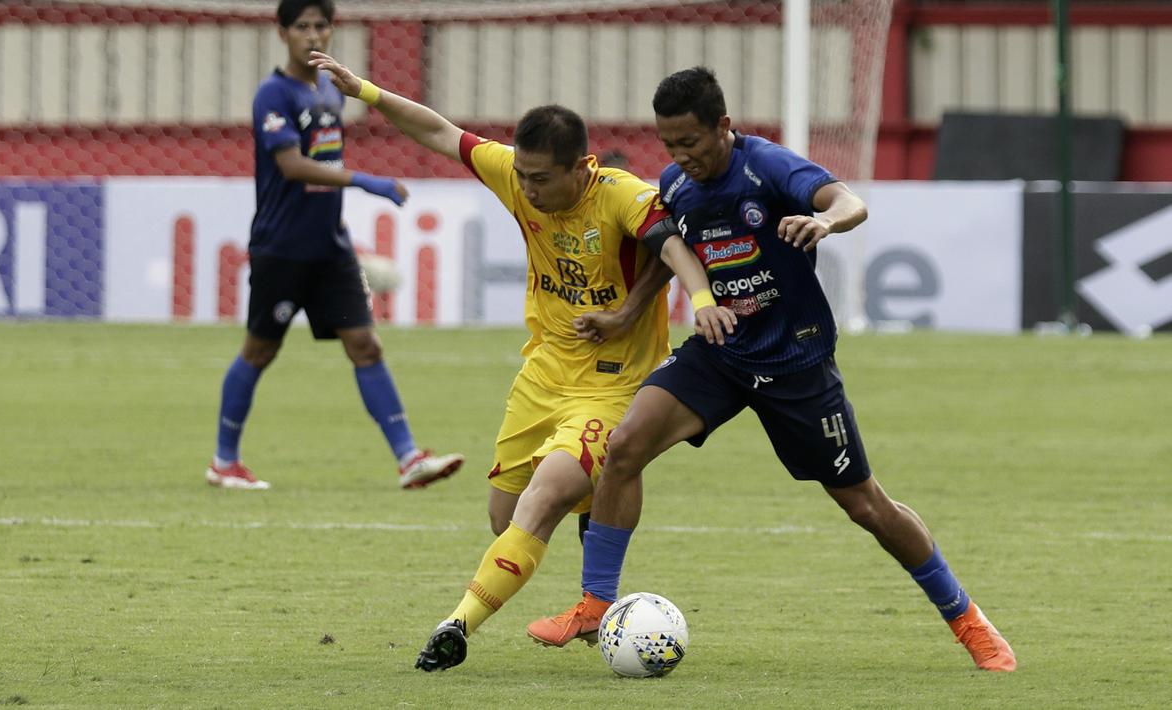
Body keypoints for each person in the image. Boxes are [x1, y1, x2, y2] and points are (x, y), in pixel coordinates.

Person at [540, 67, 1017, 672]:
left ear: (724, 126)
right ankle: (594, 601)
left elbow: (850, 201)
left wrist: (824, 221)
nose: (681, 156)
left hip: (796, 363)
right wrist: (626, 312)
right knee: (625, 443)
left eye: (691, 141)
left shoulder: (768, 167)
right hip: (722, 352)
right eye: (670, 144)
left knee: (866, 506)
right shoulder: (676, 185)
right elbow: (669, 256)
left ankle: (967, 619)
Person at [306, 52, 736, 671]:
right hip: (541, 376)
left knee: (541, 500)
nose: (526, 189)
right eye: (523, 176)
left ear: (581, 168)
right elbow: (439, 132)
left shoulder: (621, 197)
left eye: (540, 179)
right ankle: (599, 516)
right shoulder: (516, 176)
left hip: (612, 387)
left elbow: (672, 246)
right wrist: (367, 91)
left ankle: (456, 626)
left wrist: (696, 301)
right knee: (504, 518)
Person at [205, 0, 463, 492]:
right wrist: (366, 181)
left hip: (330, 249)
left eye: (321, 25)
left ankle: (409, 458)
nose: (313, 35)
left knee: (365, 345)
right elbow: (293, 167)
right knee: (258, 351)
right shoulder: (272, 95)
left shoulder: (330, 90)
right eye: (302, 26)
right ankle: (223, 461)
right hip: (281, 248)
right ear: (283, 33)